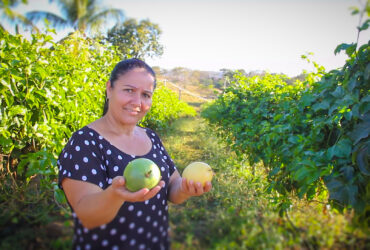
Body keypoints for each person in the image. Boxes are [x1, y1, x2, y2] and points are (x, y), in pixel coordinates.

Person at [57, 58, 212, 250]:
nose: (137, 102)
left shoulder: (151, 137)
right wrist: (115, 195)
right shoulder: (85, 142)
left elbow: (172, 187)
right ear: (109, 89)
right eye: (129, 90)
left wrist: (185, 189)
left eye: (146, 95)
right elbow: (87, 217)